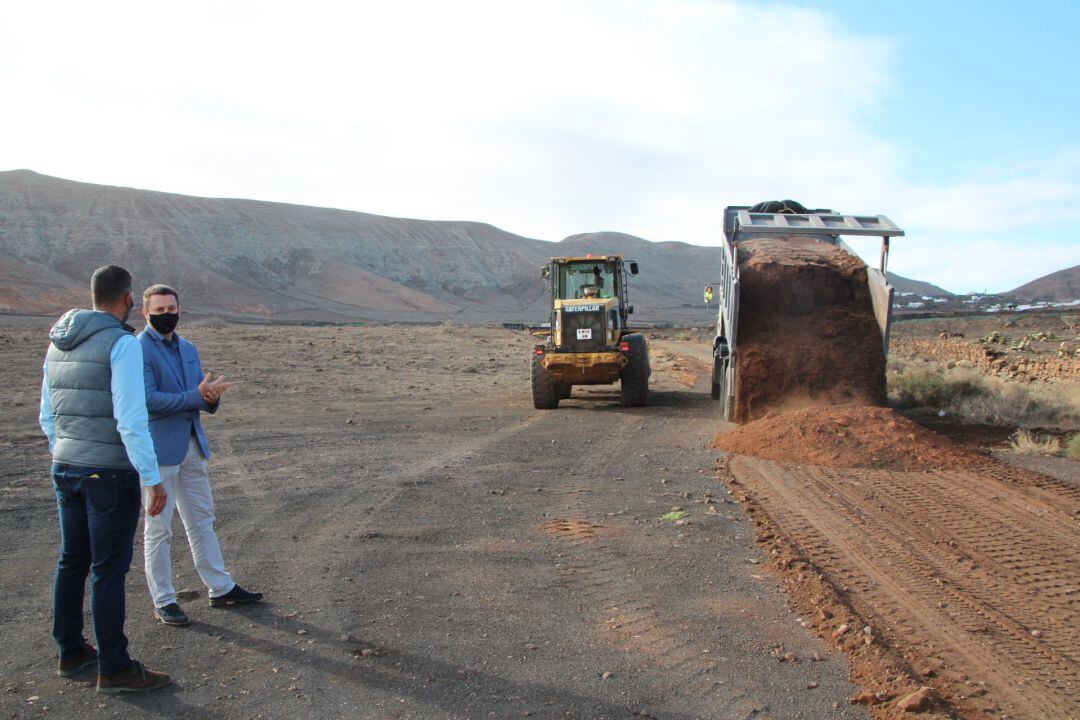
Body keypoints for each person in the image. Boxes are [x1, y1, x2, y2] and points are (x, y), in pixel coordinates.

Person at [39, 264, 171, 694]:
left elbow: (47, 415)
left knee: (71, 560)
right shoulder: (121, 344)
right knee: (108, 570)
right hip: (108, 473)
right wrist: (151, 478)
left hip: (66, 465)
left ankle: (71, 650)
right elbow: (131, 419)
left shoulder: (57, 342)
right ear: (129, 298)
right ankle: (114, 667)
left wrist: (64, 452)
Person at [138, 284, 262, 627]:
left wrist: (211, 398)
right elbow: (148, 401)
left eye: (171, 309)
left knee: (201, 520)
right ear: (144, 313)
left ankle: (219, 587)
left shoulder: (188, 348)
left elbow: (198, 392)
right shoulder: (138, 350)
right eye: (159, 310)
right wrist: (196, 397)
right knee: (158, 529)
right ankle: (164, 600)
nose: (167, 315)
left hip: (192, 446)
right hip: (159, 453)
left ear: (180, 309)